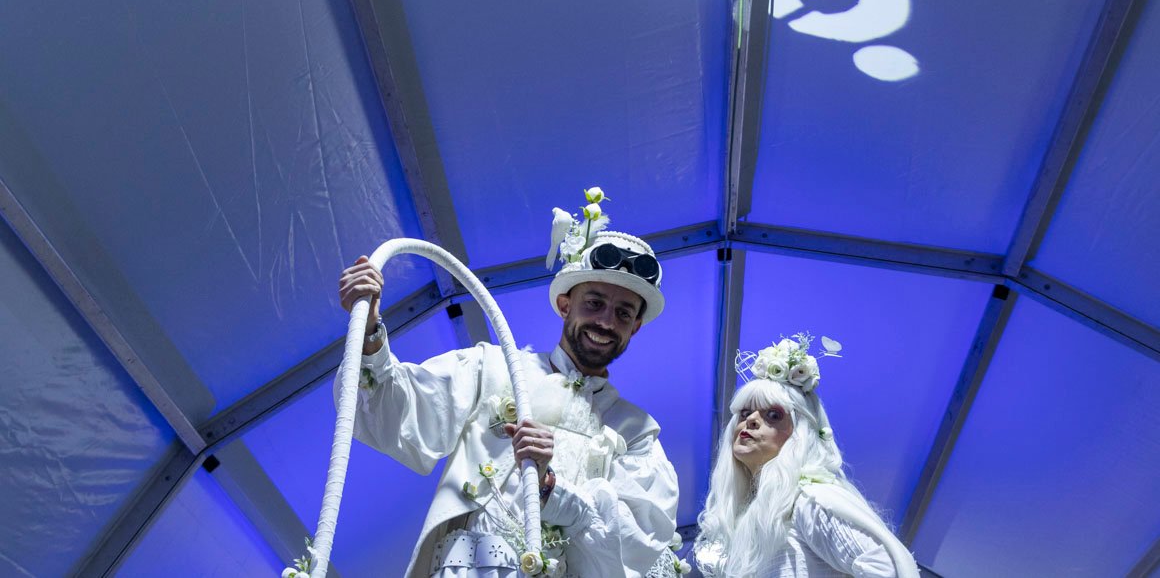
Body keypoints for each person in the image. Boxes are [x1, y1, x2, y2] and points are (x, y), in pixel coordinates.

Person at [336, 190, 678, 577]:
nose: (605, 322)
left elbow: (639, 545)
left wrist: (551, 488)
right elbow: (395, 413)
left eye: (623, 313)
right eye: (594, 303)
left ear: (635, 327)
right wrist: (369, 331)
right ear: (565, 304)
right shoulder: (492, 368)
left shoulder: (637, 433)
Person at [694, 335, 919, 578]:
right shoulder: (747, 514)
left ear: (800, 434)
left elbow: (890, 568)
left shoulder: (812, 500)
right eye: (745, 412)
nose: (751, 420)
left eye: (773, 415)